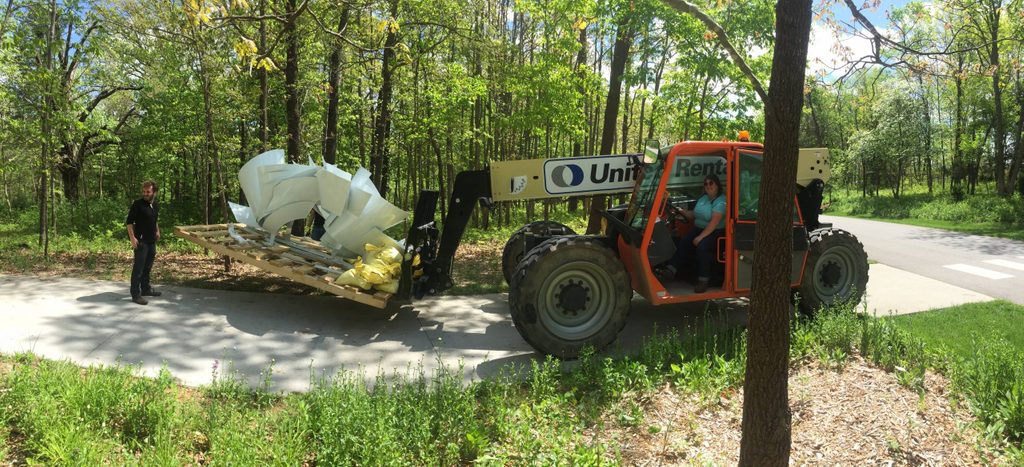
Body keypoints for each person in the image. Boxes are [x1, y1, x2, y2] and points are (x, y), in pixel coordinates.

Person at [671, 173, 726, 293]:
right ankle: (672, 269)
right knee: (685, 241)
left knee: (703, 247)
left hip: (715, 232)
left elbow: (714, 222)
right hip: (698, 229)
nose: (708, 186)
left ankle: (703, 280)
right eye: (706, 183)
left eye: (711, 183)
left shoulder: (721, 201)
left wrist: (700, 237)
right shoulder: (703, 198)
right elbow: (694, 215)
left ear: (717, 185)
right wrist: (680, 211)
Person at [126, 180, 161, 305]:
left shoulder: (155, 205)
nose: (145, 194)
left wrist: (157, 231)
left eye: (148, 192)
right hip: (141, 241)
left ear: (154, 192)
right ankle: (135, 294)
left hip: (151, 241)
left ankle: (146, 289)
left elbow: (155, 219)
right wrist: (132, 238)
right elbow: (129, 222)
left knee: (147, 267)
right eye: (144, 191)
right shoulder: (137, 204)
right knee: (139, 268)